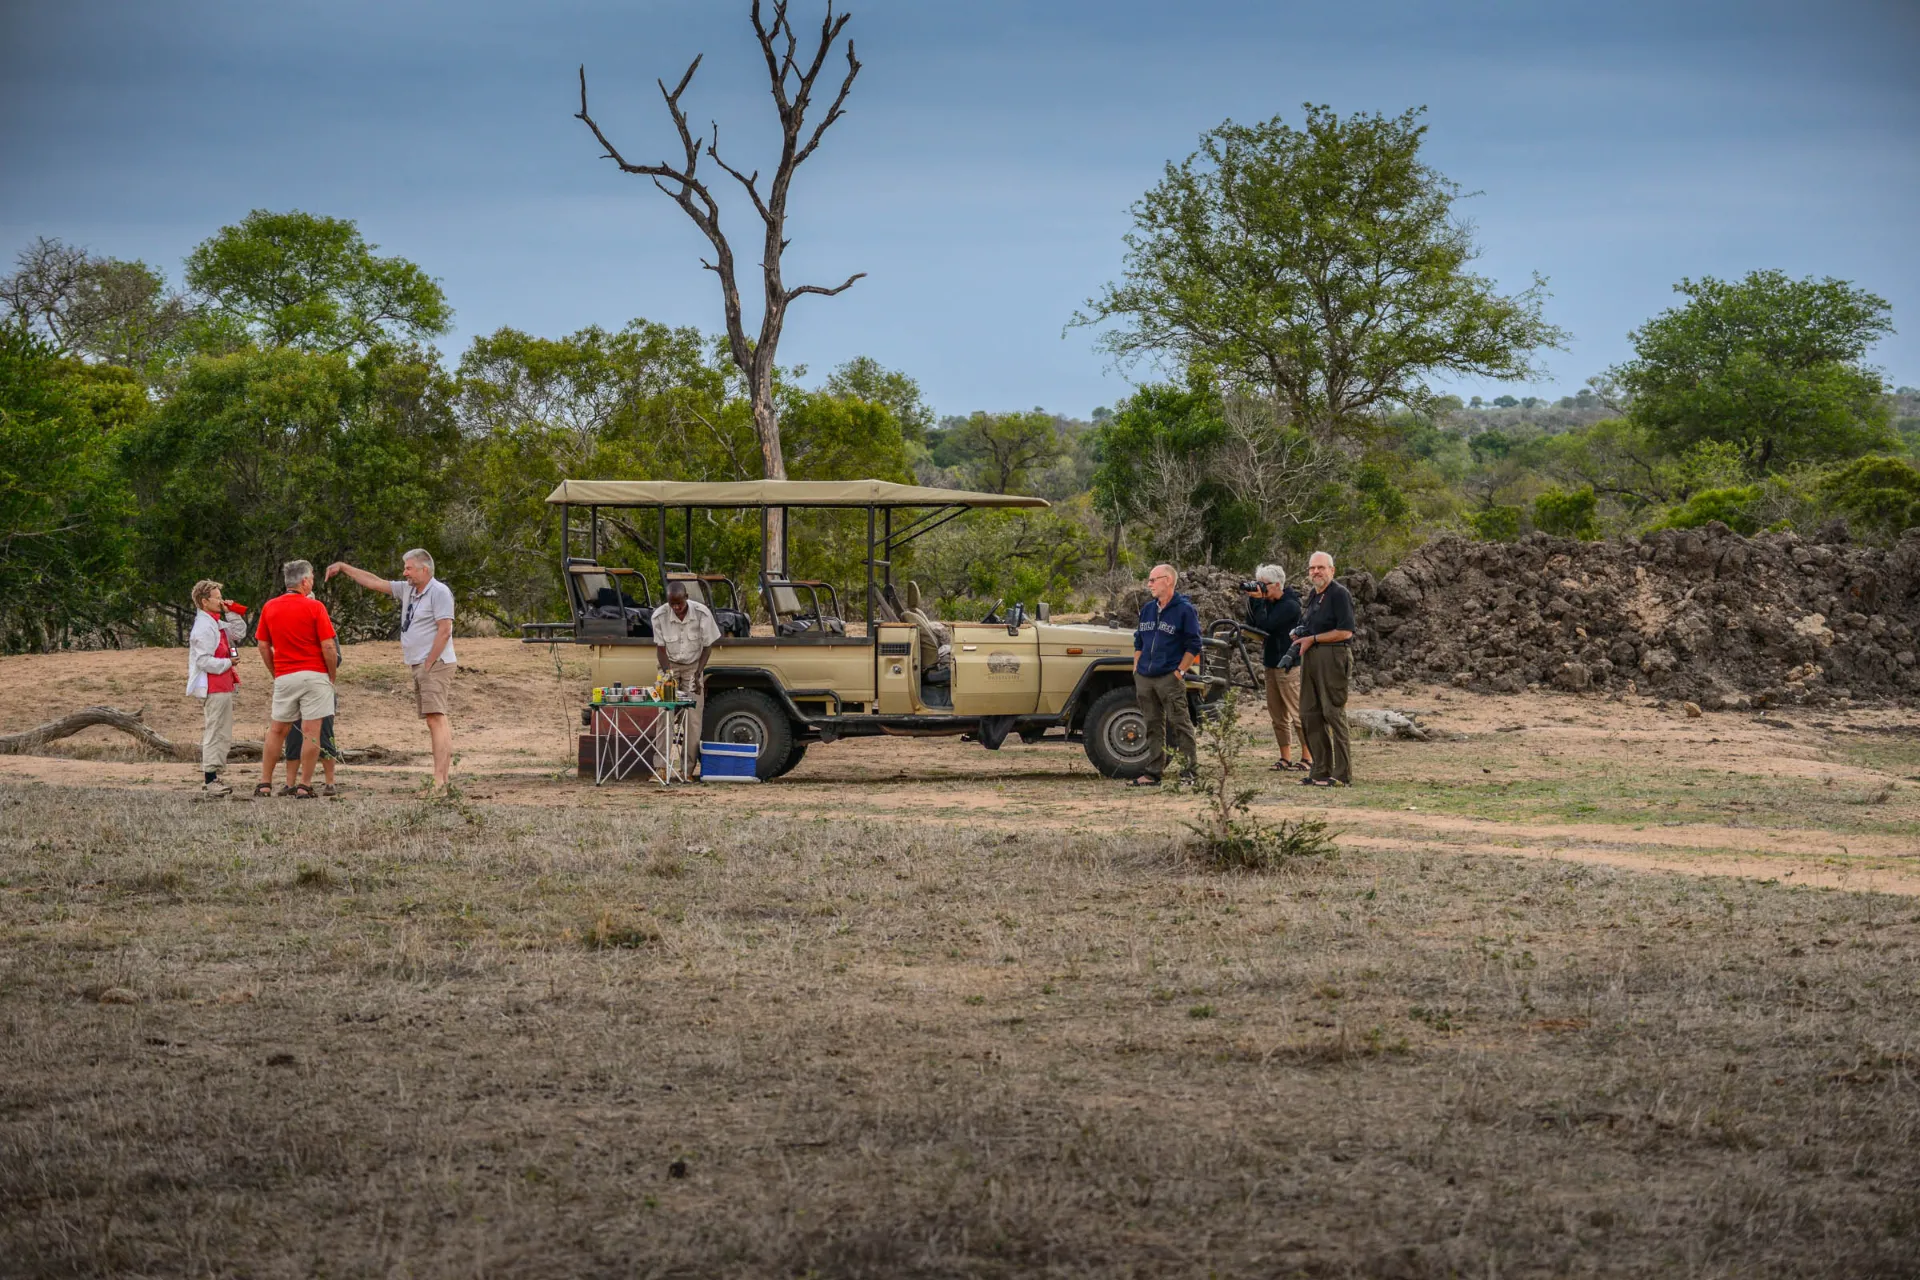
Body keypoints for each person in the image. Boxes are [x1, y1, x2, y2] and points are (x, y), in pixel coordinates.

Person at [326, 550, 456, 791]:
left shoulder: (439, 592)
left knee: (436, 719)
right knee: (435, 719)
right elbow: (375, 582)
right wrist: (344, 567)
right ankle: (442, 781)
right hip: (419, 662)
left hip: (434, 664)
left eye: (408, 568)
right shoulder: (409, 590)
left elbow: (445, 630)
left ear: (424, 569)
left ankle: (439, 783)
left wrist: (429, 663)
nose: (404, 572)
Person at [253, 559, 339, 799]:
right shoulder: (315, 607)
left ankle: (265, 783)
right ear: (304, 581)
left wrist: (276, 671)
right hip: (314, 674)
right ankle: (305, 784)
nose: (312, 582)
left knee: (277, 729)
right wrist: (330, 675)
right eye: (311, 578)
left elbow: (262, 645)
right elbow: (328, 646)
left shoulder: (270, 607)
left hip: (285, 675)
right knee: (312, 731)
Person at [1131, 562, 1202, 787]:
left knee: (1180, 723)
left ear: (1168, 581)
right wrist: (1136, 667)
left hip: (1169, 677)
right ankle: (1153, 772)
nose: (1149, 584)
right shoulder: (1148, 609)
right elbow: (1139, 640)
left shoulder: (1184, 610)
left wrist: (1180, 672)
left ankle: (1189, 772)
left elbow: (1194, 644)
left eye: (1153, 580)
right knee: (1152, 724)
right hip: (1145, 676)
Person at [1294, 551, 1357, 787]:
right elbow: (1308, 625)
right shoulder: (1313, 594)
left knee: (1333, 712)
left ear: (1332, 570)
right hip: (1310, 656)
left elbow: (1346, 631)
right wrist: (1300, 633)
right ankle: (1320, 770)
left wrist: (1315, 639)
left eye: (1321, 567)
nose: (1316, 572)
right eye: (1312, 568)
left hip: (1333, 655)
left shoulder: (1339, 594)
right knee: (1309, 713)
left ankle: (1341, 775)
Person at [652, 580, 722, 779]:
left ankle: (686, 770)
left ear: (686, 599)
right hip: (670, 665)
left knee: (692, 719)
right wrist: (667, 675)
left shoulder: (702, 613)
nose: (676, 608)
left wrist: (699, 674)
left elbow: (708, 646)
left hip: (693, 666)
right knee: (665, 714)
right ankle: (661, 767)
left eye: (679, 604)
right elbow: (660, 649)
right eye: (672, 604)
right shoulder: (659, 616)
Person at [1244, 564, 1310, 773]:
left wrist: (1257, 601)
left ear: (1278, 584)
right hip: (1271, 663)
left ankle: (1308, 757)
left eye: (1264, 585)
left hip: (1289, 665)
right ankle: (1285, 757)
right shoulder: (1268, 602)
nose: (1261, 588)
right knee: (1277, 715)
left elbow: (1267, 626)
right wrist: (1254, 600)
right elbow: (1252, 624)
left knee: (1297, 713)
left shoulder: (1290, 605)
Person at [185, 580, 248, 798]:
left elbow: (239, 633)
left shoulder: (216, 622)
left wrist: (231, 612)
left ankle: (215, 775)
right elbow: (203, 660)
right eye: (217, 597)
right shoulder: (203, 627)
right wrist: (228, 663)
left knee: (222, 730)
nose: (221, 601)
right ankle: (210, 778)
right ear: (204, 601)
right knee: (215, 730)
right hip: (213, 685)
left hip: (223, 684)